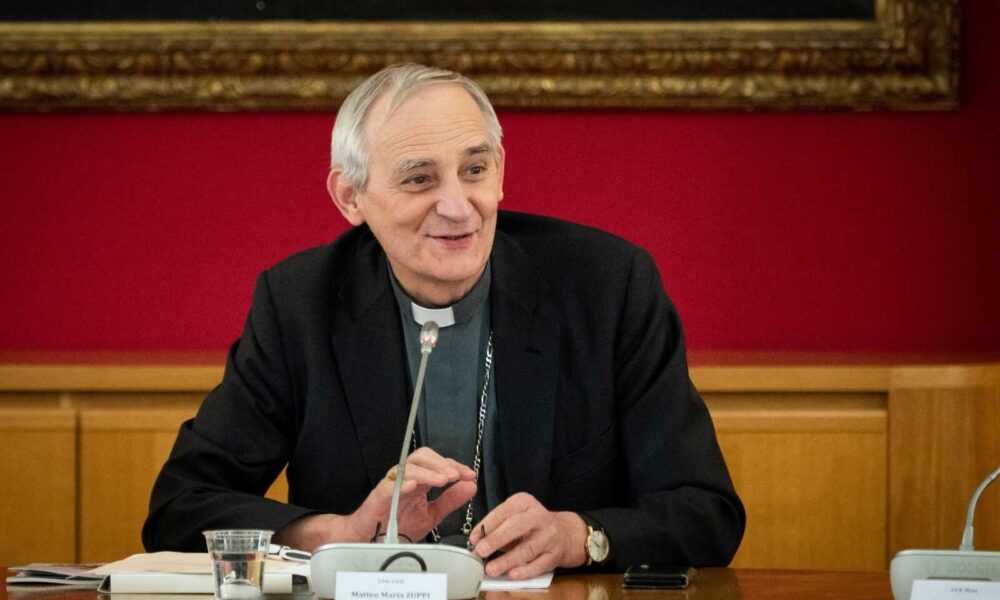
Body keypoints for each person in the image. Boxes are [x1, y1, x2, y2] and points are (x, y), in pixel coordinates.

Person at [142, 63, 745, 580]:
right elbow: (181, 506)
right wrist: (338, 534)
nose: (458, 207)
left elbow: (707, 512)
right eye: (419, 179)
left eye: (474, 170)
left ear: (500, 170)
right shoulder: (300, 304)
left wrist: (578, 536)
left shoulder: (607, 286)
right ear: (350, 197)